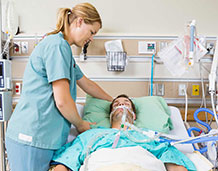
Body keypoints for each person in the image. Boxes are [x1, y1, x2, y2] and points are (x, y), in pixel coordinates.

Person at [5, 3, 113, 171]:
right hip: (31, 136)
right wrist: (80, 124)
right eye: (92, 32)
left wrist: (113, 101)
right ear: (79, 21)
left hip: (42, 138)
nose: (91, 39)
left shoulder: (64, 50)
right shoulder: (57, 46)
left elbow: (86, 83)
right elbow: (62, 101)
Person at [50, 94, 196, 171]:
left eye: (126, 104)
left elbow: (175, 165)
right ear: (110, 113)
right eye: (117, 104)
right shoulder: (91, 135)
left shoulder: (149, 137)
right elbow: (65, 164)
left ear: (134, 115)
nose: (121, 106)